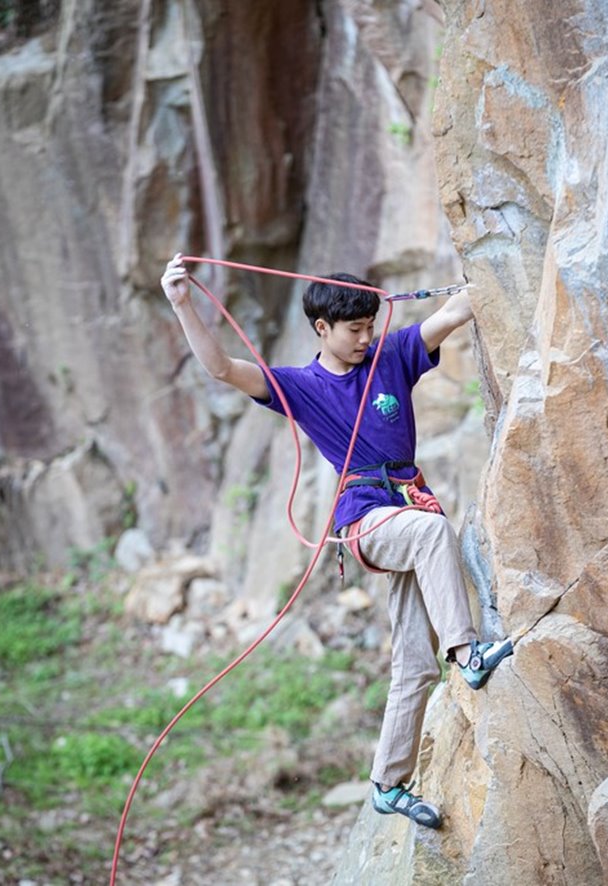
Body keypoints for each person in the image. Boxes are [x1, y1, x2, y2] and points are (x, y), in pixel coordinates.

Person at [161, 253, 511, 829]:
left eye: (370, 326)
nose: (365, 337)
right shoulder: (302, 386)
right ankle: (467, 652)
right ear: (322, 329)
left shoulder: (392, 355)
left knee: (414, 665)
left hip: (407, 504)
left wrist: (488, 263)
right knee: (430, 533)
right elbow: (222, 368)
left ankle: (388, 783)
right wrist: (182, 305)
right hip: (365, 519)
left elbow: (452, 314)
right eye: (354, 329)